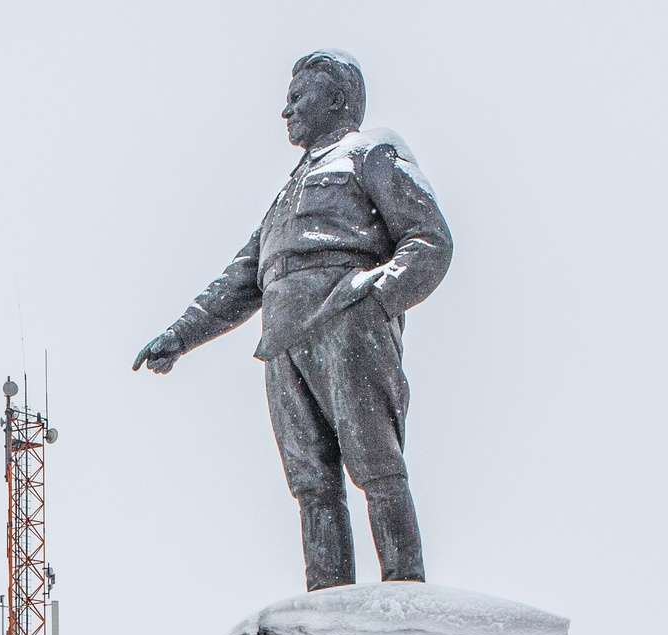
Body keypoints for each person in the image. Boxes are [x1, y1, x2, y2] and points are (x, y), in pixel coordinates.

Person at [135, 50, 452, 590]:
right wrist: (180, 335)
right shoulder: (285, 195)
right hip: (283, 342)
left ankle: (405, 594)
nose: (286, 110)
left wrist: (372, 301)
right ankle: (326, 603)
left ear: (336, 99)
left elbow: (430, 242)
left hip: (346, 322)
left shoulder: (370, 152)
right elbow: (240, 280)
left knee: (375, 463)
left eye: (298, 97)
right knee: (311, 482)